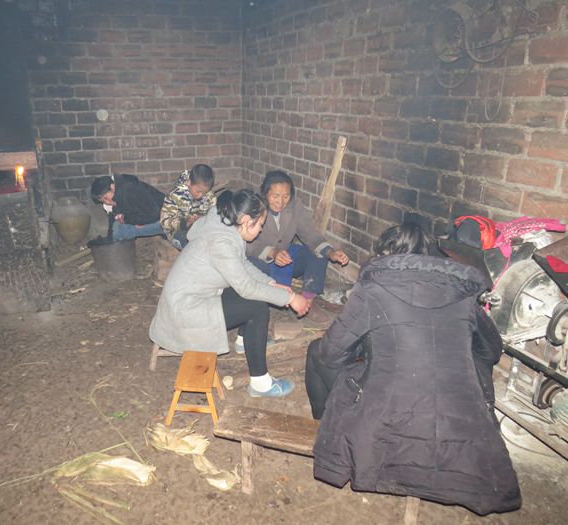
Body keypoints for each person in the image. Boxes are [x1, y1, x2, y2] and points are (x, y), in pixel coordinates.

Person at [305, 222, 521, 515]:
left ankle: (328, 429)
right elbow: (491, 352)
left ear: (384, 255)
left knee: (316, 352)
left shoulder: (373, 289)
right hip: (461, 429)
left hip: (387, 422)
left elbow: (330, 353)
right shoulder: (462, 293)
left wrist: (367, 356)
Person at [149, 189, 311, 397]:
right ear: (246, 221)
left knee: (256, 295)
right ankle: (260, 384)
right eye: (260, 225)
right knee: (256, 307)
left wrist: (271, 283)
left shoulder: (225, 223)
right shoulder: (222, 243)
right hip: (185, 312)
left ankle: (246, 341)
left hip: (192, 297)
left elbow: (242, 264)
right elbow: (247, 287)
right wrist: (291, 298)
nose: (261, 230)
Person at [245, 170, 349, 325]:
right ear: (265, 194)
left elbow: (310, 234)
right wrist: (272, 252)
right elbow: (248, 245)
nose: (281, 202)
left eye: (286, 196)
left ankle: (308, 302)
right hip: (261, 260)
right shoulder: (254, 207)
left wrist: (331, 252)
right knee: (258, 271)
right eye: (275, 196)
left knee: (318, 254)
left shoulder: (295, 207)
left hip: (285, 255)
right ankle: (262, 307)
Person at [91, 174, 164, 241]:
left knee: (119, 230)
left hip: (165, 221)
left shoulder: (130, 190)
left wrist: (130, 220)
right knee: (117, 226)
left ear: (112, 187)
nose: (107, 202)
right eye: (103, 201)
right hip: (154, 218)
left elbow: (154, 214)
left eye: (106, 198)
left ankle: (119, 250)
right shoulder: (119, 191)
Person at [160, 164, 216, 249]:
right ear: (189, 182)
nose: (201, 195)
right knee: (192, 244)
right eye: (198, 191)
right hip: (178, 231)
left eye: (204, 192)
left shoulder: (210, 195)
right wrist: (186, 222)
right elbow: (164, 221)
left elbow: (214, 215)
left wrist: (202, 219)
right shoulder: (175, 195)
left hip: (200, 229)